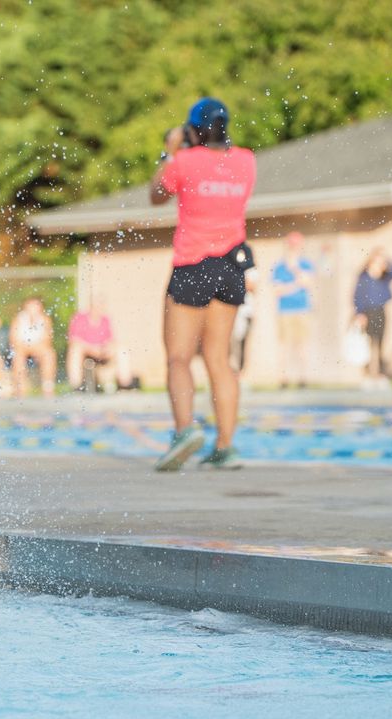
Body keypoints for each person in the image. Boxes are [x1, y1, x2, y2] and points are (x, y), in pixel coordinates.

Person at [149, 97, 256, 471]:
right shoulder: (246, 161)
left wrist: (170, 150)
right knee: (219, 359)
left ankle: (184, 431)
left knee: (179, 356)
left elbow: (156, 195)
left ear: (193, 129)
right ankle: (226, 446)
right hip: (231, 266)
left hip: (193, 263)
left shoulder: (184, 161)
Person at [271, 231, 314, 388]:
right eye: (292, 245)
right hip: (284, 311)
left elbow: (308, 283)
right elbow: (277, 291)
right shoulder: (279, 267)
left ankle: (303, 378)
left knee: (302, 345)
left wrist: (295, 271)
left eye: (297, 245)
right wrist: (296, 284)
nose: (295, 248)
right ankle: (283, 379)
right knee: (284, 346)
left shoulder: (305, 264)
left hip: (302, 310)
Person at [353, 249, 392, 387]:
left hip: (380, 311)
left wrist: (387, 262)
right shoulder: (364, 277)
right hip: (367, 312)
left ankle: (379, 373)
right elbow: (358, 295)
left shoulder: (384, 276)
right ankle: (367, 374)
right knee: (367, 344)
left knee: (380, 343)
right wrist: (359, 313)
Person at [66, 298, 134, 392]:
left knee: (122, 349)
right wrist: (92, 348)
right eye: (97, 306)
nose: (99, 309)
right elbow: (74, 340)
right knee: (75, 349)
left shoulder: (105, 320)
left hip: (102, 352)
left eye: (101, 306)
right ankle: (76, 385)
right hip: (85, 353)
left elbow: (111, 340)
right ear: (90, 307)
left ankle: (125, 385)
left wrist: (107, 348)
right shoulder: (79, 318)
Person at [9, 297, 56, 397]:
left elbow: (48, 340)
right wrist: (27, 346)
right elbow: (13, 340)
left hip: (39, 347)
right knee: (18, 354)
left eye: (36, 306)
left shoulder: (45, 319)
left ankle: (47, 386)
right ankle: (19, 387)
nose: (33, 309)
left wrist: (34, 347)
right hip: (22, 348)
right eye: (31, 306)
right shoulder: (18, 319)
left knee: (49, 354)